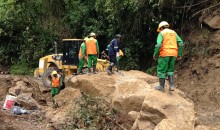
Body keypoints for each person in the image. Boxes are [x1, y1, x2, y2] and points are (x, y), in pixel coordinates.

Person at [153, 21, 184, 92]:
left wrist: (155, 54)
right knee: (170, 69)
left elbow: (158, 45)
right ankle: (172, 85)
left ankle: (161, 87)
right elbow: (181, 43)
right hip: (174, 53)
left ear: (160, 28)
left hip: (165, 53)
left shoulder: (162, 33)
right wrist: (179, 54)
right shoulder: (174, 33)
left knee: (161, 70)